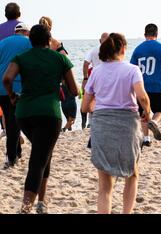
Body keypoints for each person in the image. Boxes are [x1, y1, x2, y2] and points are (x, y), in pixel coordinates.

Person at [3, 24, 79, 214]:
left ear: (30, 41)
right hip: (49, 115)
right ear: (49, 40)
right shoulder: (60, 58)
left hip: (24, 113)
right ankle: (26, 207)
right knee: (38, 158)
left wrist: (12, 95)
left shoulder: (21, 58)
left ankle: (41, 202)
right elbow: (75, 90)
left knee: (44, 153)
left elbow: (6, 79)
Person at [82, 33, 150, 214]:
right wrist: (147, 113)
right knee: (132, 173)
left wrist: (100, 105)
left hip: (102, 124)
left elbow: (84, 106)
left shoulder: (96, 71)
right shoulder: (132, 70)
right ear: (122, 48)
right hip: (127, 124)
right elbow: (142, 96)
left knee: (104, 184)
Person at [131, 24, 161, 147]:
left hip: (141, 86)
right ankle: (154, 122)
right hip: (157, 85)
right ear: (157, 34)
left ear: (145, 35)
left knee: (145, 112)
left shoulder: (138, 49)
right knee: (160, 110)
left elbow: (132, 69)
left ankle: (146, 138)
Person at [0, 22, 31, 169]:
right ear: (26, 32)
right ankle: (11, 157)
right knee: (17, 121)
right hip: (20, 87)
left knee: (11, 120)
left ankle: (16, 153)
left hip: (2, 88)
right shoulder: (29, 43)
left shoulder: (3, 43)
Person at [81, 32, 109, 129]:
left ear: (100, 40)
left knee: (93, 99)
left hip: (95, 77)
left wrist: (85, 77)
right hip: (107, 78)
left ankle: (91, 121)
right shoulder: (111, 51)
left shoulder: (93, 50)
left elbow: (85, 64)